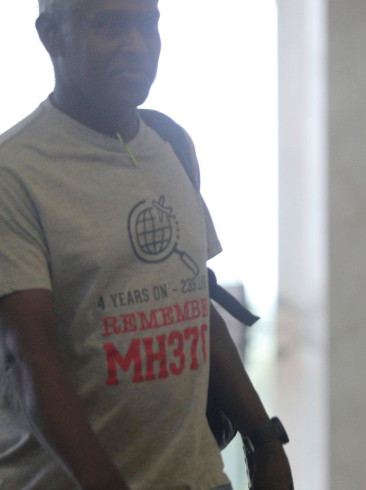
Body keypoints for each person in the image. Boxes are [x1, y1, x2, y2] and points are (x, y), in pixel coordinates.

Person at [0, 0, 293, 488]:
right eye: (109, 25)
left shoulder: (170, 144)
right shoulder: (17, 173)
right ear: (51, 36)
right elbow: (31, 358)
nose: (135, 46)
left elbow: (195, 305)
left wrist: (264, 442)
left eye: (146, 25)